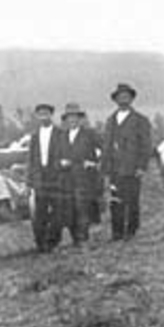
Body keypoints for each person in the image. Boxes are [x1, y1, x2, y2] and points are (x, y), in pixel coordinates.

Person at [100, 83, 154, 241]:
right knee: (115, 201)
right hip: (115, 169)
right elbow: (106, 145)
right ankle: (117, 233)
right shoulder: (111, 120)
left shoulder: (140, 120)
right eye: (120, 96)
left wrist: (141, 166)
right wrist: (105, 168)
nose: (123, 99)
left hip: (132, 168)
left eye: (126, 96)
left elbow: (146, 145)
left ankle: (132, 231)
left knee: (132, 201)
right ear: (115, 100)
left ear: (131, 99)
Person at [55, 103, 104, 246]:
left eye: (75, 117)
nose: (72, 120)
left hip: (85, 178)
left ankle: (84, 238)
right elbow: (55, 159)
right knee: (69, 209)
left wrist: (95, 164)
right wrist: (61, 163)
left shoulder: (89, 134)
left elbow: (105, 149)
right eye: (69, 117)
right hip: (67, 179)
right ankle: (76, 238)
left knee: (83, 207)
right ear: (66, 120)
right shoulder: (61, 137)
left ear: (80, 119)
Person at [27, 103, 65, 253]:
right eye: (40, 114)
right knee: (40, 212)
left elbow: (65, 153)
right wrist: (29, 180)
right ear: (37, 116)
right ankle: (40, 243)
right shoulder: (35, 136)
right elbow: (31, 159)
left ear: (51, 115)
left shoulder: (60, 133)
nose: (43, 116)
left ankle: (53, 241)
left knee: (57, 212)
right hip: (40, 177)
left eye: (46, 114)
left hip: (56, 175)